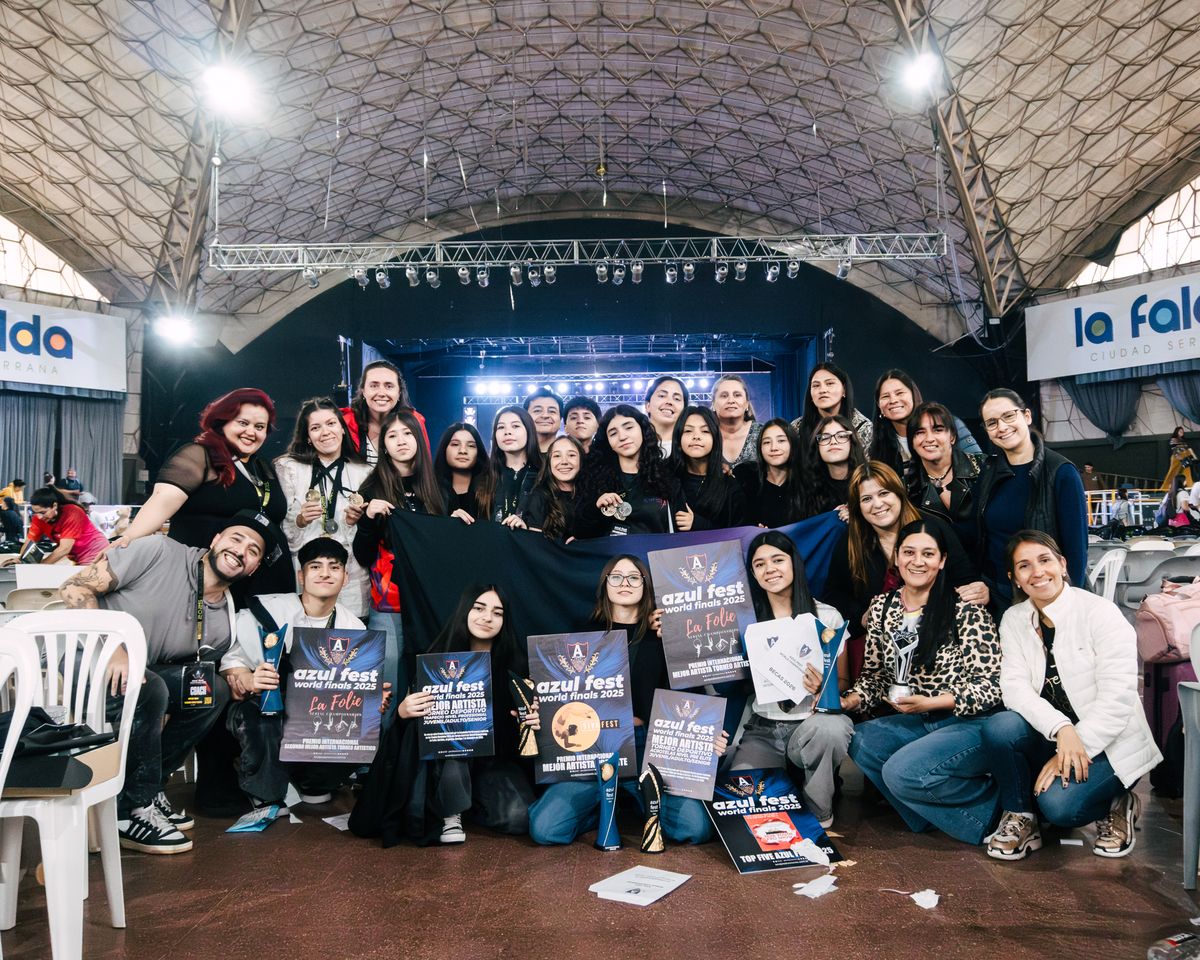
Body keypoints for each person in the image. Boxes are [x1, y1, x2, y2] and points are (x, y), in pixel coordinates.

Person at [58, 509, 274, 853]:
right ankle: (130, 813)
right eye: (236, 538)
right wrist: (114, 647)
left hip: (143, 678)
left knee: (210, 691)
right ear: (216, 540)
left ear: (253, 567)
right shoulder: (158, 550)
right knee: (152, 686)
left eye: (253, 550)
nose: (241, 550)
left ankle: (147, 789)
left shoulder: (224, 620)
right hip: (86, 658)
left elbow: (198, 677)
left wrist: (240, 678)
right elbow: (74, 585)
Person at [981, 531, 1162, 860]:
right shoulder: (1014, 619)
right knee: (1000, 727)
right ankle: (1020, 816)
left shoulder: (1100, 613)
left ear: (1063, 565)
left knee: (1060, 809)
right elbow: (1014, 688)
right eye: (1024, 566)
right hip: (1056, 736)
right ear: (1014, 579)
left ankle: (1118, 802)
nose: (1037, 572)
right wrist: (1061, 729)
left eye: (1045, 560)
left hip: (1107, 741)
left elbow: (1118, 699)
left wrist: (1078, 740)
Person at [528, 555, 721, 846]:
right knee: (546, 829)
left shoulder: (663, 636)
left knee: (694, 828)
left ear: (646, 586)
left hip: (648, 747)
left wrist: (708, 733)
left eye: (634, 577)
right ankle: (605, 806)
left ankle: (633, 801)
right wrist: (538, 709)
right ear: (605, 585)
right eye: (616, 577)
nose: (625, 583)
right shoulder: (579, 637)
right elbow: (561, 699)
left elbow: (689, 699)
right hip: (597, 747)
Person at [843, 519, 1003, 845]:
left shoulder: (966, 610)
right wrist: (852, 700)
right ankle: (927, 814)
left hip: (964, 720)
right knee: (857, 739)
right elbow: (875, 675)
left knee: (899, 772)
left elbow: (991, 686)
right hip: (917, 720)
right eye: (909, 552)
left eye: (928, 554)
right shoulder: (881, 608)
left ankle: (992, 817)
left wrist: (932, 702)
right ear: (897, 558)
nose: (918, 561)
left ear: (942, 560)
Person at [355, 584, 533, 845]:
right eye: (479, 608)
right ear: (464, 611)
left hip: (492, 762)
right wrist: (404, 712)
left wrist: (525, 720)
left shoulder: (514, 664)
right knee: (455, 740)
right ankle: (451, 813)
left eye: (498, 613)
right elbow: (414, 735)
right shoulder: (435, 659)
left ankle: (469, 803)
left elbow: (521, 738)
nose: (487, 618)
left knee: (519, 818)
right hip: (445, 763)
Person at [221, 538, 377, 808]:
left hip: (318, 712)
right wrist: (247, 678)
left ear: (346, 577)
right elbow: (231, 661)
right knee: (260, 718)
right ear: (301, 576)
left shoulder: (353, 628)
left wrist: (373, 698)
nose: (325, 573)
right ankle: (264, 790)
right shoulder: (267, 609)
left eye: (334, 567)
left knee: (364, 723)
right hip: (266, 706)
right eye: (315, 567)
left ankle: (314, 781)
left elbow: (357, 688)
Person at [110, 387, 293, 597]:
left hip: (263, 584)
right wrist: (128, 538)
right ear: (222, 421)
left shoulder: (263, 467)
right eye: (243, 423)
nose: (251, 432)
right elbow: (162, 499)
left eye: (259, 427)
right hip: (201, 582)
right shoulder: (200, 455)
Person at [725, 531, 852, 828]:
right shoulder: (745, 621)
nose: (769, 569)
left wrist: (825, 686)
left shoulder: (827, 617)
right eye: (759, 564)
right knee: (743, 803)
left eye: (778, 560)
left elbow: (844, 680)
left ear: (794, 563)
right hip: (764, 728)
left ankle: (820, 810)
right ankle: (795, 776)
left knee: (832, 728)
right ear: (752, 574)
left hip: (810, 725)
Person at [825, 462, 988, 637]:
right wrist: (861, 617)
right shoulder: (851, 541)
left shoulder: (933, 527)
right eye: (866, 499)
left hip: (939, 635)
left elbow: (966, 580)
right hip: (882, 643)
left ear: (899, 493)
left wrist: (979, 591)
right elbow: (834, 594)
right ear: (858, 507)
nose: (877, 504)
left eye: (884, 493)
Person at [353, 409, 445, 706]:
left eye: (407, 433)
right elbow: (362, 555)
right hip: (388, 602)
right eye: (391, 436)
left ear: (418, 438)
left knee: (432, 679)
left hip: (430, 600)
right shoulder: (372, 487)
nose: (400, 441)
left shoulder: (437, 488)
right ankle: (385, 750)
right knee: (388, 678)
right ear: (384, 446)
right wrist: (367, 519)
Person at [974, 388, 1087, 608]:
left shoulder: (1061, 472)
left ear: (1026, 416)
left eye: (1008, 416)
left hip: (1045, 594)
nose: (1002, 427)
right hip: (998, 593)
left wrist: (1069, 605)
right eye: (992, 422)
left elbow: (1076, 550)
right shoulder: (988, 472)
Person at [273, 397, 371, 616]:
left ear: (342, 428)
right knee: (306, 643)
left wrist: (353, 523)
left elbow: (370, 538)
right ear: (307, 437)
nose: (325, 432)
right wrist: (300, 520)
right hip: (306, 572)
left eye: (331, 423)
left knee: (350, 642)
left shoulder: (363, 471)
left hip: (351, 577)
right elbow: (280, 530)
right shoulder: (288, 468)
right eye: (315, 428)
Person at [575, 405, 684, 537]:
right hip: (610, 556)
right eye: (613, 433)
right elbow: (580, 530)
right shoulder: (595, 478)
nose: (622, 437)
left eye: (628, 427)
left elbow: (681, 529)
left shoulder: (666, 476)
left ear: (642, 430)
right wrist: (595, 508)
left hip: (655, 555)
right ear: (608, 441)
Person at [868, 369, 980, 477]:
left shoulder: (948, 423)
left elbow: (979, 465)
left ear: (913, 395)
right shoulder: (878, 443)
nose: (893, 400)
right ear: (879, 405)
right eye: (885, 396)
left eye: (900, 393)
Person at [905, 401, 983, 536]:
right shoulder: (906, 487)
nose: (929, 439)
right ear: (912, 441)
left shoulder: (983, 466)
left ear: (952, 436)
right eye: (920, 432)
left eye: (938, 430)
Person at [340, 359, 429, 465]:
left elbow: (424, 466)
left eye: (389, 386)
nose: (381, 393)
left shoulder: (415, 421)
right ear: (363, 391)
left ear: (399, 392)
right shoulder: (345, 422)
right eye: (374, 386)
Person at [671, 406, 745, 530]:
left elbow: (739, 533)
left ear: (715, 438)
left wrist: (698, 524)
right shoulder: (665, 477)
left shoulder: (729, 486)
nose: (696, 436)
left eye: (705, 431)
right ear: (679, 437)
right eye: (688, 431)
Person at [0, 486, 108, 567]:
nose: (39, 516)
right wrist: (20, 560)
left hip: (96, 551)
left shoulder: (72, 512)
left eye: (43, 512)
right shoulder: (38, 518)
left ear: (54, 506)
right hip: (77, 556)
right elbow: (29, 542)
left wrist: (40, 567)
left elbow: (64, 548)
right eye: (35, 512)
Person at [735, 419, 807, 528]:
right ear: (760, 448)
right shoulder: (746, 477)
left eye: (781, 441)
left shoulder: (807, 483)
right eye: (767, 442)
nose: (773, 448)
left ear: (792, 444)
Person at [790, 362, 872, 450]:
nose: (822, 390)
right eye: (816, 385)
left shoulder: (863, 428)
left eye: (830, 384)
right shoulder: (796, 428)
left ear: (844, 390)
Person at [517, 434, 583, 541]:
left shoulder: (591, 495)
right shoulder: (539, 496)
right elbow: (536, 544)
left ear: (581, 460)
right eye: (557, 456)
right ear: (549, 463)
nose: (564, 461)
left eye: (571, 455)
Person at [804, 414, 867, 516]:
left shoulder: (869, 479)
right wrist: (830, 519)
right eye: (825, 438)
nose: (833, 442)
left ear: (852, 442)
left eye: (841, 436)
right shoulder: (808, 488)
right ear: (817, 447)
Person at [487, 405, 541, 524]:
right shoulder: (485, 476)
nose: (507, 432)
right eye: (501, 427)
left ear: (529, 430)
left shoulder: (544, 473)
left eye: (515, 426)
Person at [433, 422, 494, 523]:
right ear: (444, 449)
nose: (463, 451)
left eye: (471, 446)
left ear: (478, 452)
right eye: (455, 444)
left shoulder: (493, 489)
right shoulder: (430, 490)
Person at [711, 374, 762, 468]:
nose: (731, 400)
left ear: (747, 403)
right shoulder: (705, 434)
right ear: (713, 404)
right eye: (724, 396)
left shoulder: (763, 433)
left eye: (737, 395)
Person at [644, 375, 688, 456]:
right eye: (662, 396)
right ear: (647, 406)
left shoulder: (690, 447)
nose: (669, 402)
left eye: (677, 399)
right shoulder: (634, 444)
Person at [523, 387, 563, 453]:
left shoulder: (573, 454)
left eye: (552, 411)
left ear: (560, 418)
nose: (545, 416)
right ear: (525, 417)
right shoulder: (515, 454)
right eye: (537, 410)